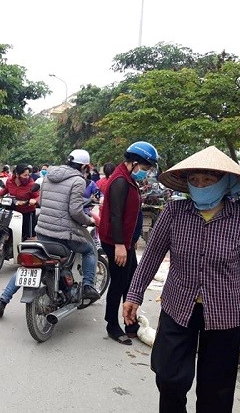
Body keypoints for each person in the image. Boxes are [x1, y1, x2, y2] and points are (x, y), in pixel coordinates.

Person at [123, 145, 240, 412]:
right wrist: (134, 295)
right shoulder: (174, 213)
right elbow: (151, 258)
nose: (200, 185)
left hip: (225, 314)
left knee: (216, 390)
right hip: (178, 307)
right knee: (169, 379)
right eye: (194, 180)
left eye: (208, 179)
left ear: (225, 182)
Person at [0, 150, 100, 317]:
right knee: (89, 250)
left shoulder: (49, 175)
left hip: (43, 232)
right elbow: (75, 211)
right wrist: (89, 220)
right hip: (64, 235)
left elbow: (42, 201)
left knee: (26, 266)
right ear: (85, 166)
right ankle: (87, 286)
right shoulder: (78, 181)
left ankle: (2, 301)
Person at [99, 141, 158, 345]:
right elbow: (115, 216)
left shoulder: (129, 179)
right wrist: (119, 245)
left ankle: (130, 322)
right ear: (134, 163)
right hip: (117, 243)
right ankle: (112, 325)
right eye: (146, 167)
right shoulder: (120, 181)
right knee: (119, 283)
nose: (146, 172)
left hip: (127, 243)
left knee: (132, 281)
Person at [0, 163, 40, 241]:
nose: (27, 177)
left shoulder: (31, 184)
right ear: (17, 174)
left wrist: (34, 200)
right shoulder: (9, 181)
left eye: (28, 175)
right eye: (25, 175)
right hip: (13, 210)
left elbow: (37, 196)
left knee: (31, 237)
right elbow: (5, 190)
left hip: (27, 212)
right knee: (7, 232)